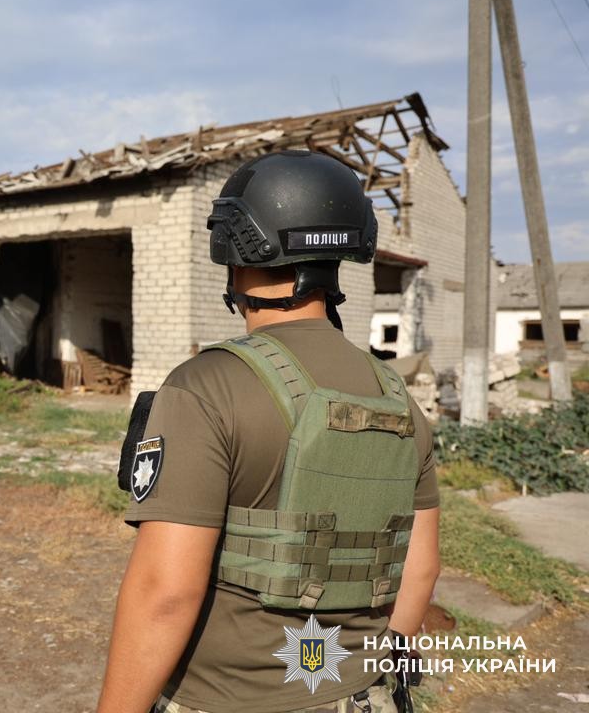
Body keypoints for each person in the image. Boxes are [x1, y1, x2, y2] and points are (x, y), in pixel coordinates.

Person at [97, 151, 440, 713]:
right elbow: (420, 568)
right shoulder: (396, 395)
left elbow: (165, 592)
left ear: (236, 249)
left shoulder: (207, 385)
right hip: (361, 695)